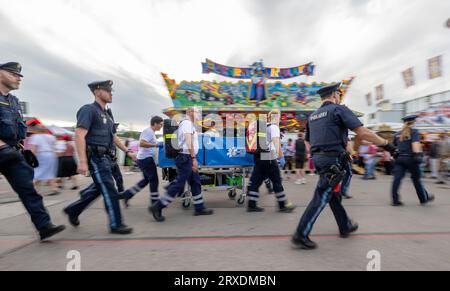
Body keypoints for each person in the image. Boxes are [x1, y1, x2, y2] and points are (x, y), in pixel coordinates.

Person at [292, 83, 396, 250]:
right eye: (339, 94)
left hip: (319, 160)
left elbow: (307, 141)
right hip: (333, 160)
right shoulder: (338, 109)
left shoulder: (313, 116)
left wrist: (317, 154)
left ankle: (344, 225)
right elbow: (362, 132)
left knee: (333, 195)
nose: (339, 97)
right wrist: (386, 144)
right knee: (322, 195)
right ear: (335, 95)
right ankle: (301, 233)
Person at [0, 61, 65, 240]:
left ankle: (44, 226)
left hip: (12, 153)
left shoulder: (13, 101)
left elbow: (20, 128)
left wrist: (20, 147)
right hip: (3, 150)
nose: (18, 78)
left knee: (29, 190)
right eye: (13, 74)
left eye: (19, 75)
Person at [63, 80, 136, 234]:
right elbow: (79, 135)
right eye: (107, 90)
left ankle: (73, 210)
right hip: (96, 158)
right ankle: (116, 224)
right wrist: (82, 161)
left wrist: (128, 151)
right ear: (97, 92)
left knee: (99, 188)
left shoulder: (108, 114)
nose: (111, 93)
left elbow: (114, 137)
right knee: (109, 188)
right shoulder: (88, 110)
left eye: (111, 90)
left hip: (108, 158)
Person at [149, 107, 214, 222]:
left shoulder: (189, 124)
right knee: (179, 184)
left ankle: (199, 207)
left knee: (195, 181)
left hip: (186, 157)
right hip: (185, 157)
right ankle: (158, 206)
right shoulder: (187, 123)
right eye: (197, 113)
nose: (199, 115)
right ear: (189, 112)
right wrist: (193, 158)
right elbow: (188, 141)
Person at [246, 110, 296, 213]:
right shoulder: (274, 127)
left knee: (256, 181)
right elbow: (276, 142)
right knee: (277, 180)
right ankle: (283, 205)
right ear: (276, 117)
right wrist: (281, 157)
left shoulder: (265, 126)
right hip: (268, 156)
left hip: (258, 156)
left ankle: (252, 204)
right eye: (279, 117)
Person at [120, 116, 164, 207]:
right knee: (154, 181)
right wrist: (155, 145)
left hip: (143, 159)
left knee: (145, 180)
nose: (161, 126)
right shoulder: (148, 131)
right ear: (155, 123)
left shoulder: (151, 132)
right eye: (160, 124)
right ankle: (155, 203)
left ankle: (127, 194)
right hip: (146, 159)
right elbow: (142, 143)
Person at [391, 115, 435, 206]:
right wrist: (418, 155)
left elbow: (394, 147)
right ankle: (423, 199)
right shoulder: (414, 132)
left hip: (399, 159)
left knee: (397, 179)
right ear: (413, 122)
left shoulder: (397, 134)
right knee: (416, 180)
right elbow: (415, 145)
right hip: (410, 159)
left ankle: (395, 200)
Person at [28, 125, 60, 195]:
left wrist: (31, 158)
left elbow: (33, 149)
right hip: (52, 155)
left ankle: (33, 190)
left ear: (37, 130)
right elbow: (55, 147)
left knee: (38, 172)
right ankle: (55, 188)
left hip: (41, 155)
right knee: (50, 172)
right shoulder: (52, 137)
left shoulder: (35, 137)